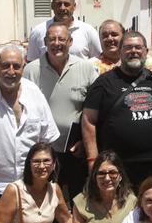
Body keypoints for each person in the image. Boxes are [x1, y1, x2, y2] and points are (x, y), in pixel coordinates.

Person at [0, 45, 59, 197]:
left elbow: (47, 139)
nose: (11, 71)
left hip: (33, 184)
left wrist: (46, 176)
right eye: (5, 66)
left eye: (16, 66)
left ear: (23, 67)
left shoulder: (35, 93)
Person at [82, 30, 152, 186]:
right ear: (120, 52)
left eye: (138, 47)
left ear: (146, 51)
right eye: (128, 47)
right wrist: (93, 160)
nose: (134, 51)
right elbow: (88, 120)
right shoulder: (104, 83)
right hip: (119, 166)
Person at [23, 22, 98, 201]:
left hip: (76, 150)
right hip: (43, 153)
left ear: (70, 42)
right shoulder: (30, 71)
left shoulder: (86, 68)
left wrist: (84, 141)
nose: (57, 43)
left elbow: (95, 109)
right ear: (45, 42)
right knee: (46, 201)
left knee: (79, 200)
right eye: (52, 39)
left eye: (61, 39)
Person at [26, 0, 102, 61]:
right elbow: (31, 63)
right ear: (52, 6)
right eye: (58, 4)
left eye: (66, 4)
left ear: (74, 6)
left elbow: (98, 60)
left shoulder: (88, 31)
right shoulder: (38, 32)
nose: (62, 8)